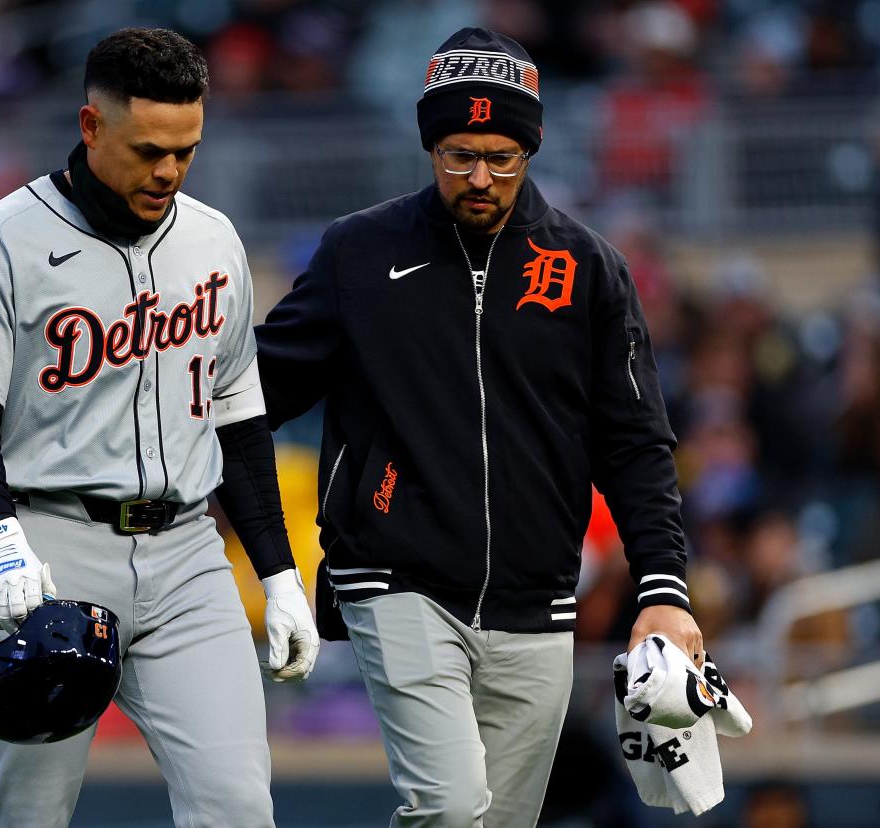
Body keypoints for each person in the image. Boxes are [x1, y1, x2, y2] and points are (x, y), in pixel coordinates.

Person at [256, 27, 703, 828]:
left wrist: (663, 589)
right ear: (430, 145)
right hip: (394, 576)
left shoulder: (590, 268)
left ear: (531, 148)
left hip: (540, 599)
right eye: (459, 154)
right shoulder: (358, 255)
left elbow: (635, 441)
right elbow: (250, 395)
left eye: (503, 156)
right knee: (451, 808)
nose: (481, 178)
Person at [0, 28, 318, 828]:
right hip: (50, 552)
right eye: (148, 149)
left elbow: (238, 419)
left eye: (186, 150)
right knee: (29, 813)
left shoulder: (213, 241)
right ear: (91, 126)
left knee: (238, 808)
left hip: (189, 556)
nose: (168, 169)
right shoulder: (5, 237)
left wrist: (276, 573)